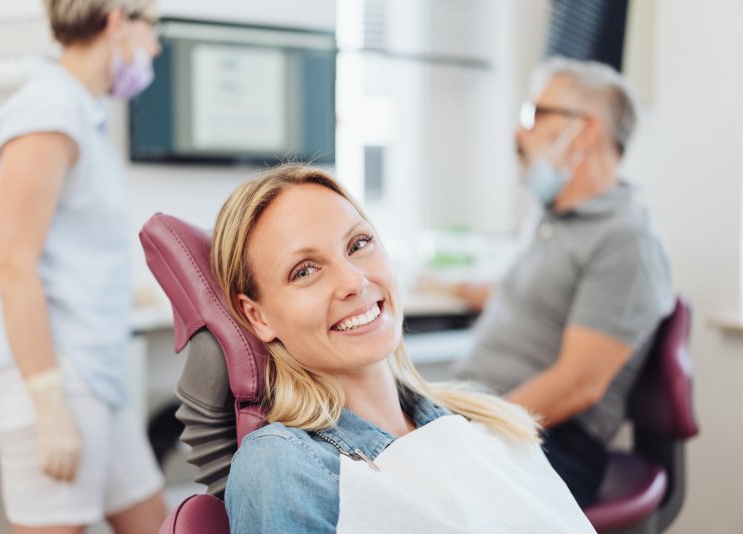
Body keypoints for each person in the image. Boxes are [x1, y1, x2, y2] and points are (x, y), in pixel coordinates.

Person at [211, 165, 595, 533]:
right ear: (258, 316)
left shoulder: (485, 422)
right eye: (305, 271)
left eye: (358, 244)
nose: (354, 281)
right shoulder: (283, 464)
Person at [0, 1, 167, 532]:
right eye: (152, 28)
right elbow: (14, 265)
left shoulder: (80, 113)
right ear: (117, 21)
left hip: (92, 367)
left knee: (156, 520)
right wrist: (47, 405)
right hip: (49, 373)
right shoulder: (47, 114)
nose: (155, 46)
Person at [449, 58, 675, 507]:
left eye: (534, 115)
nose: (519, 133)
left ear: (585, 131)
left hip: (550, 439)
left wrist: (469, 433)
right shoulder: (552, 218)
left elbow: (577, 384)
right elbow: (541, 300)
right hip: (490, 414)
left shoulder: (626, 241)